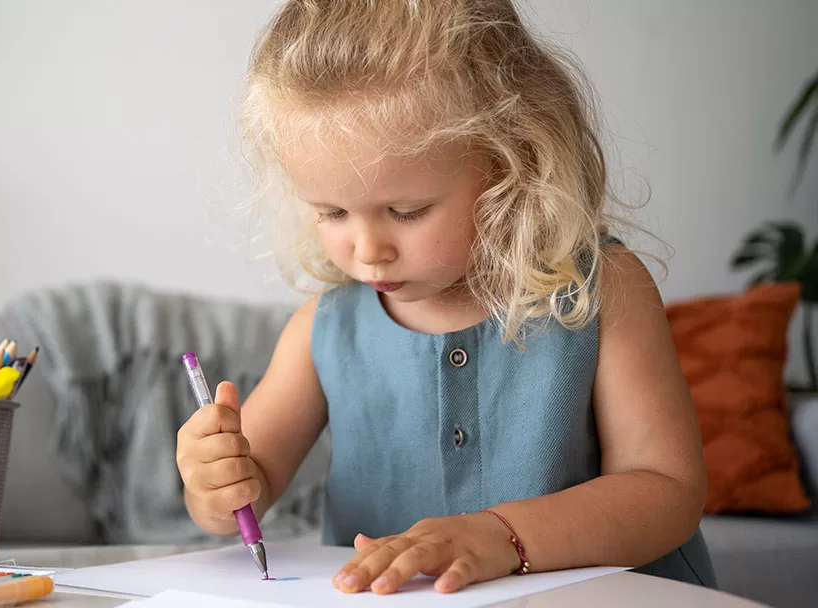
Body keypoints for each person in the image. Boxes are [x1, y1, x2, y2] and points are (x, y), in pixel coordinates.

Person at [175, 0, 716, 595]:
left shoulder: (601, 290)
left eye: (407, 212)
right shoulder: (323, 329)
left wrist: (501, 536)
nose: (366, 249)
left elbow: (668, 490)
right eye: (330, 212)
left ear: (514, 162)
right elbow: (240, 499)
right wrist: (214, 483)